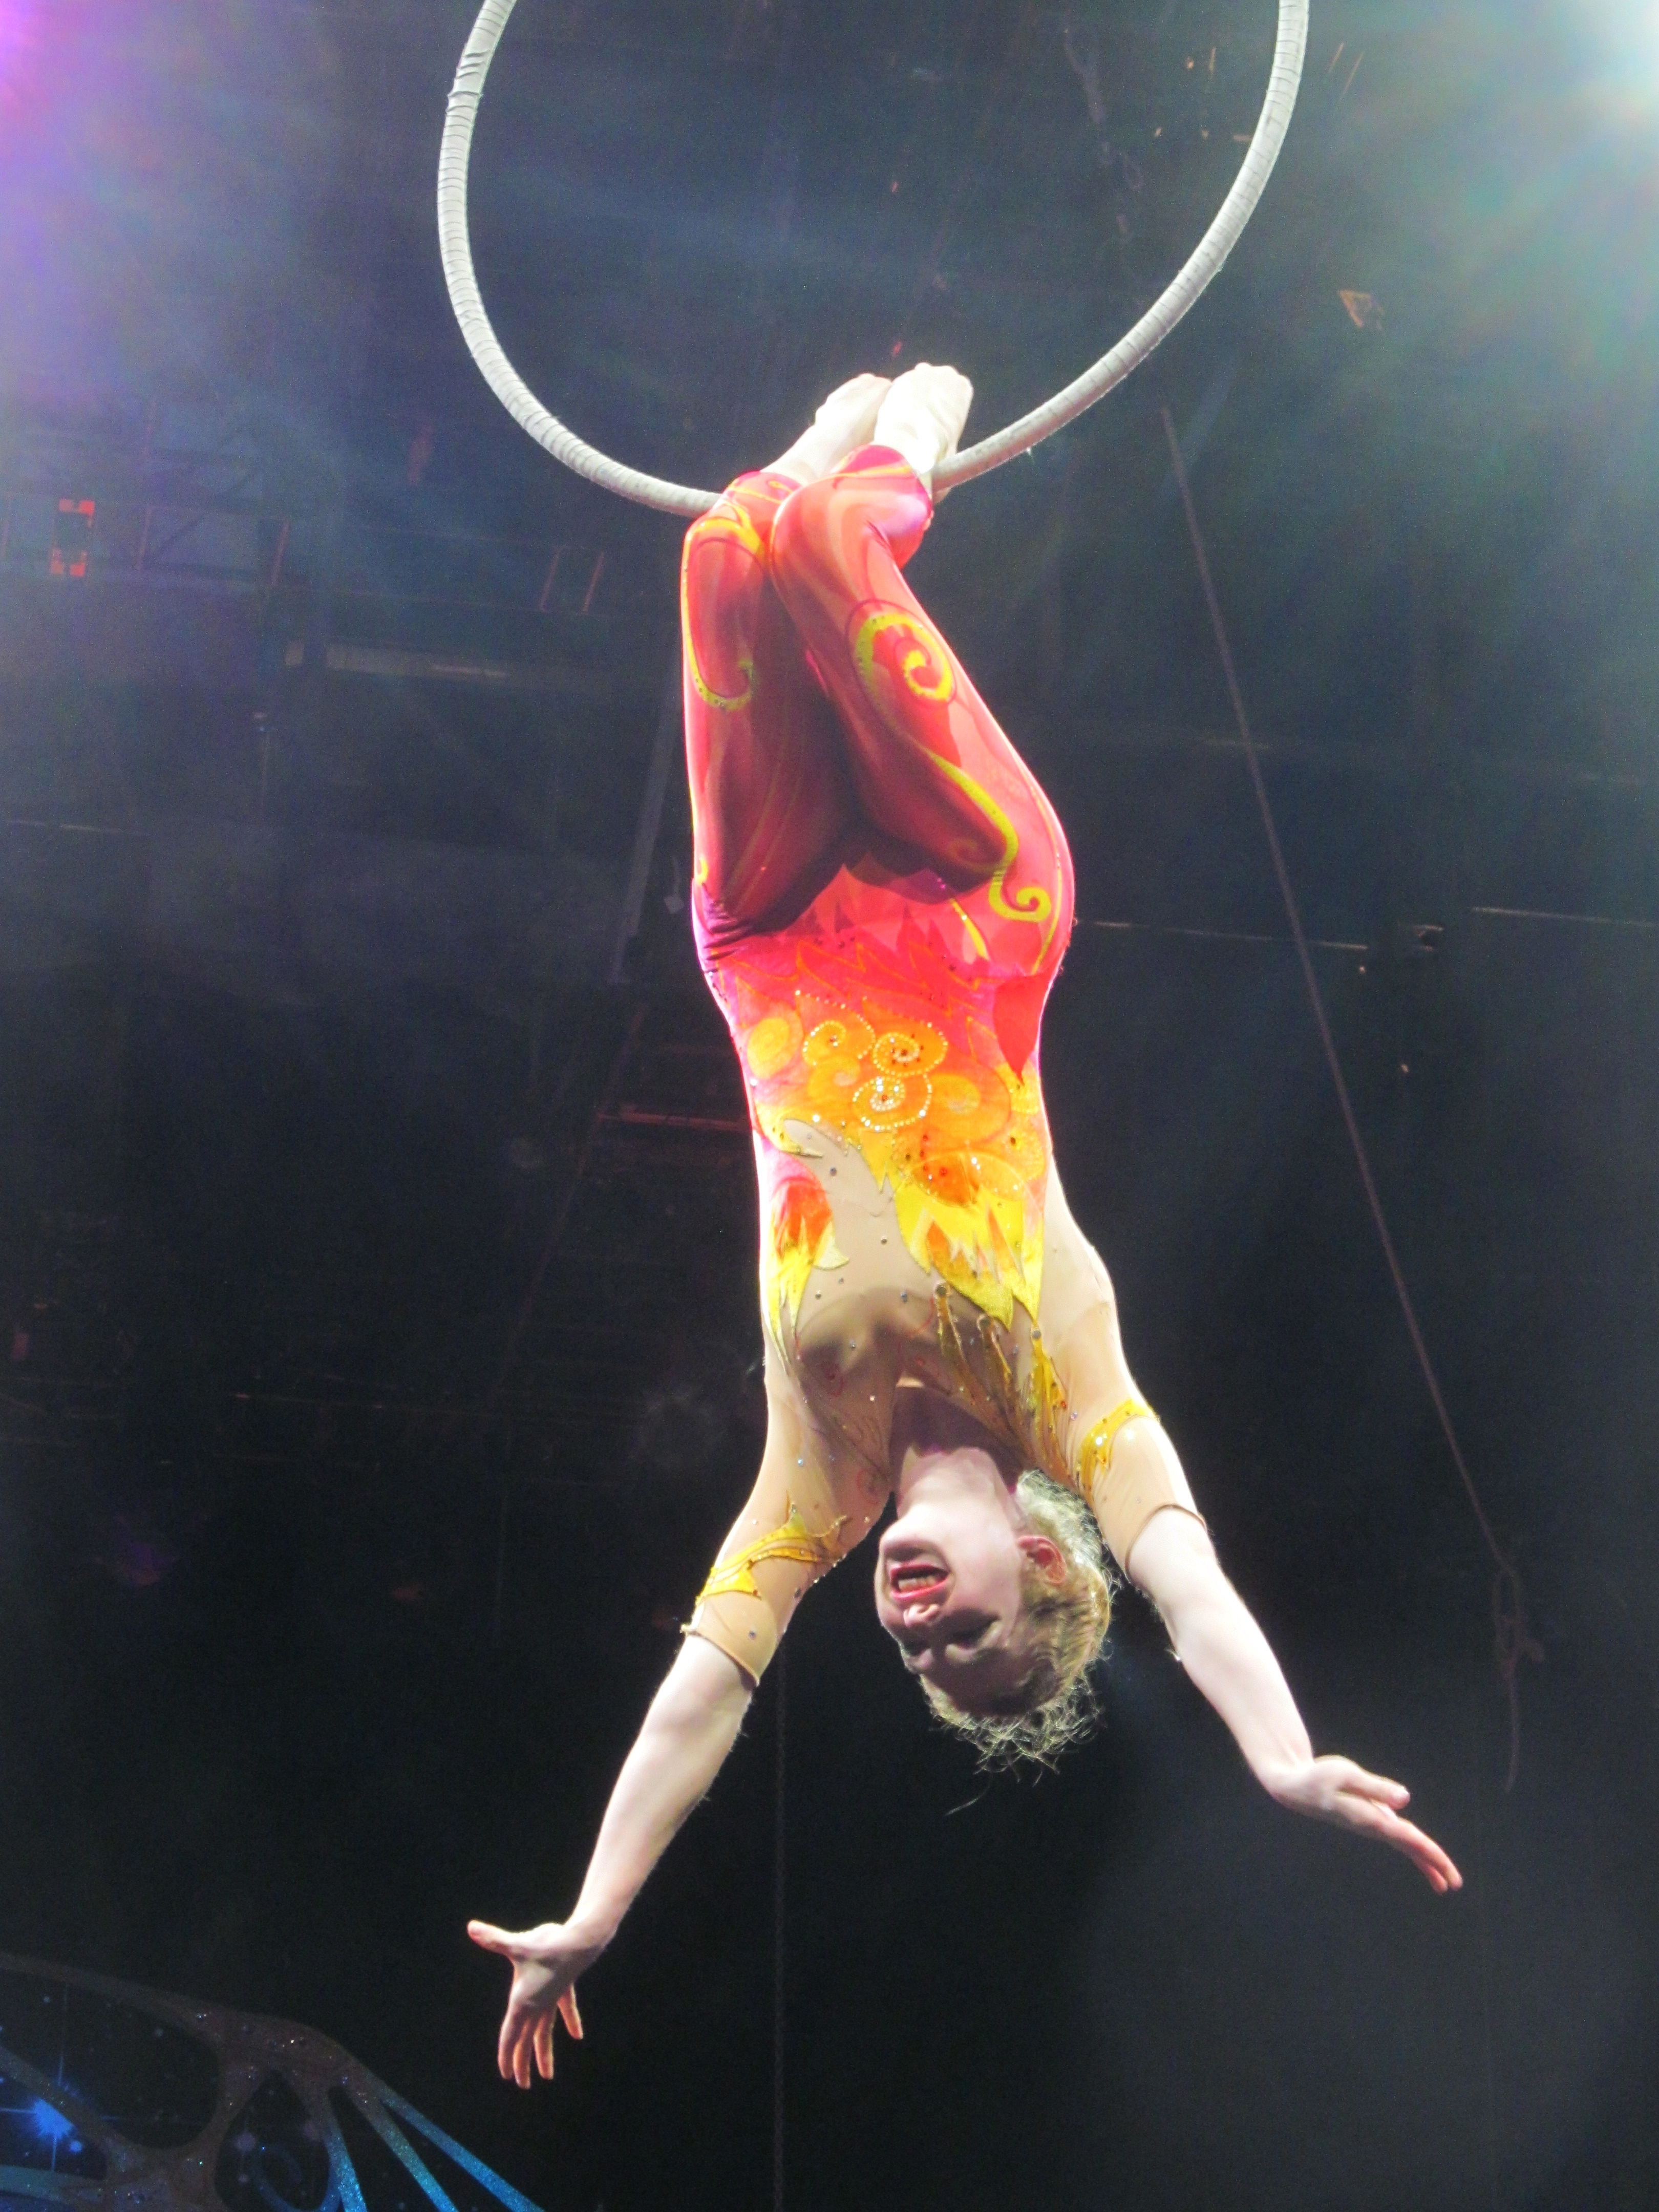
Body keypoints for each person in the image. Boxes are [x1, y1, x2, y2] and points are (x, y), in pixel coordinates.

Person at [469, 368, 1462, 2089]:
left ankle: (846, 419)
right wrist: (1282, 1758)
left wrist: (595, 1911)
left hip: (770, 943)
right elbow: (1201, 1585)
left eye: (922, 1650)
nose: (925, 1623)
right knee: (833, 537)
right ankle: (912, 430)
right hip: (972, 908)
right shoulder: (1078, 1401)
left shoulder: (818, 1477)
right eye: (979, 1635)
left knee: (725, 552)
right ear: (1052, 1567)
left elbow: (701, 1700)